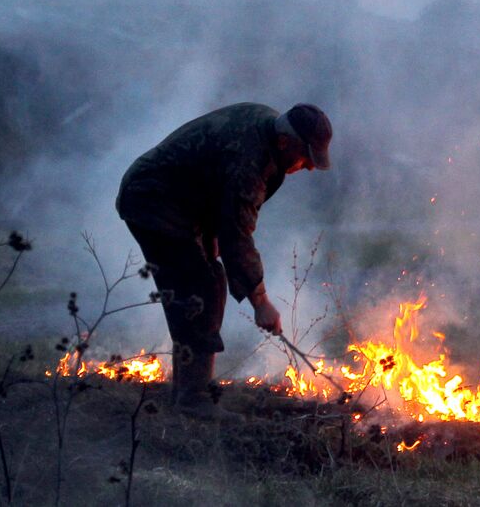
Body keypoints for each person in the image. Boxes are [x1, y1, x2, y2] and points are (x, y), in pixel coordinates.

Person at [116, 102, 332, 419]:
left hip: (181, 204)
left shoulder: (268, 129)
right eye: (306, 156)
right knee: (198, 288)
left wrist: (211, 241)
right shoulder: (251, 162)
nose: (309, 167)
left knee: (209, 278)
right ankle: (193, 399)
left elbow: (221, 203)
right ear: (286, 142)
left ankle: (188, 391)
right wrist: (260, 301)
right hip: (153, 199)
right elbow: (237, 234)